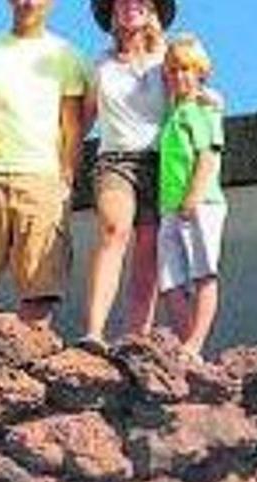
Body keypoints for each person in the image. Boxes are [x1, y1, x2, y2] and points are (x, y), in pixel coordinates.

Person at [0, 0, 88, 327]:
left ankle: (30, 354)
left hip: (42, 174)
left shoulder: (67, 55)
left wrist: (67, 176)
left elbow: (71, 126)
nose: (28, 2)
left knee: (41, 279)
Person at [78, 0, 176, 353]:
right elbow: (84, 118)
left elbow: (192, 94)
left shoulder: (168, 59)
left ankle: (137, 337)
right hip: (114, 159)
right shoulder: (100, 65)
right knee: (114, 230)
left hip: (159, 161)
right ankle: (94, 331)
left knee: (148, 247)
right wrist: (65, 161)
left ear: (152, 11)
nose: (131, 5)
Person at [156, 33, 225, 358]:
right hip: (170, 207)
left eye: (186, 68)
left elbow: (208, 157)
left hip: (199, 204)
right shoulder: (173, 113)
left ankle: (195, 343)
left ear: (199, 71)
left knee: (203, 273)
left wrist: (192, 199)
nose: (179, 76)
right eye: (173, 70)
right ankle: (187, 344)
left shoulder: (203, 111)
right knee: (169, 280)